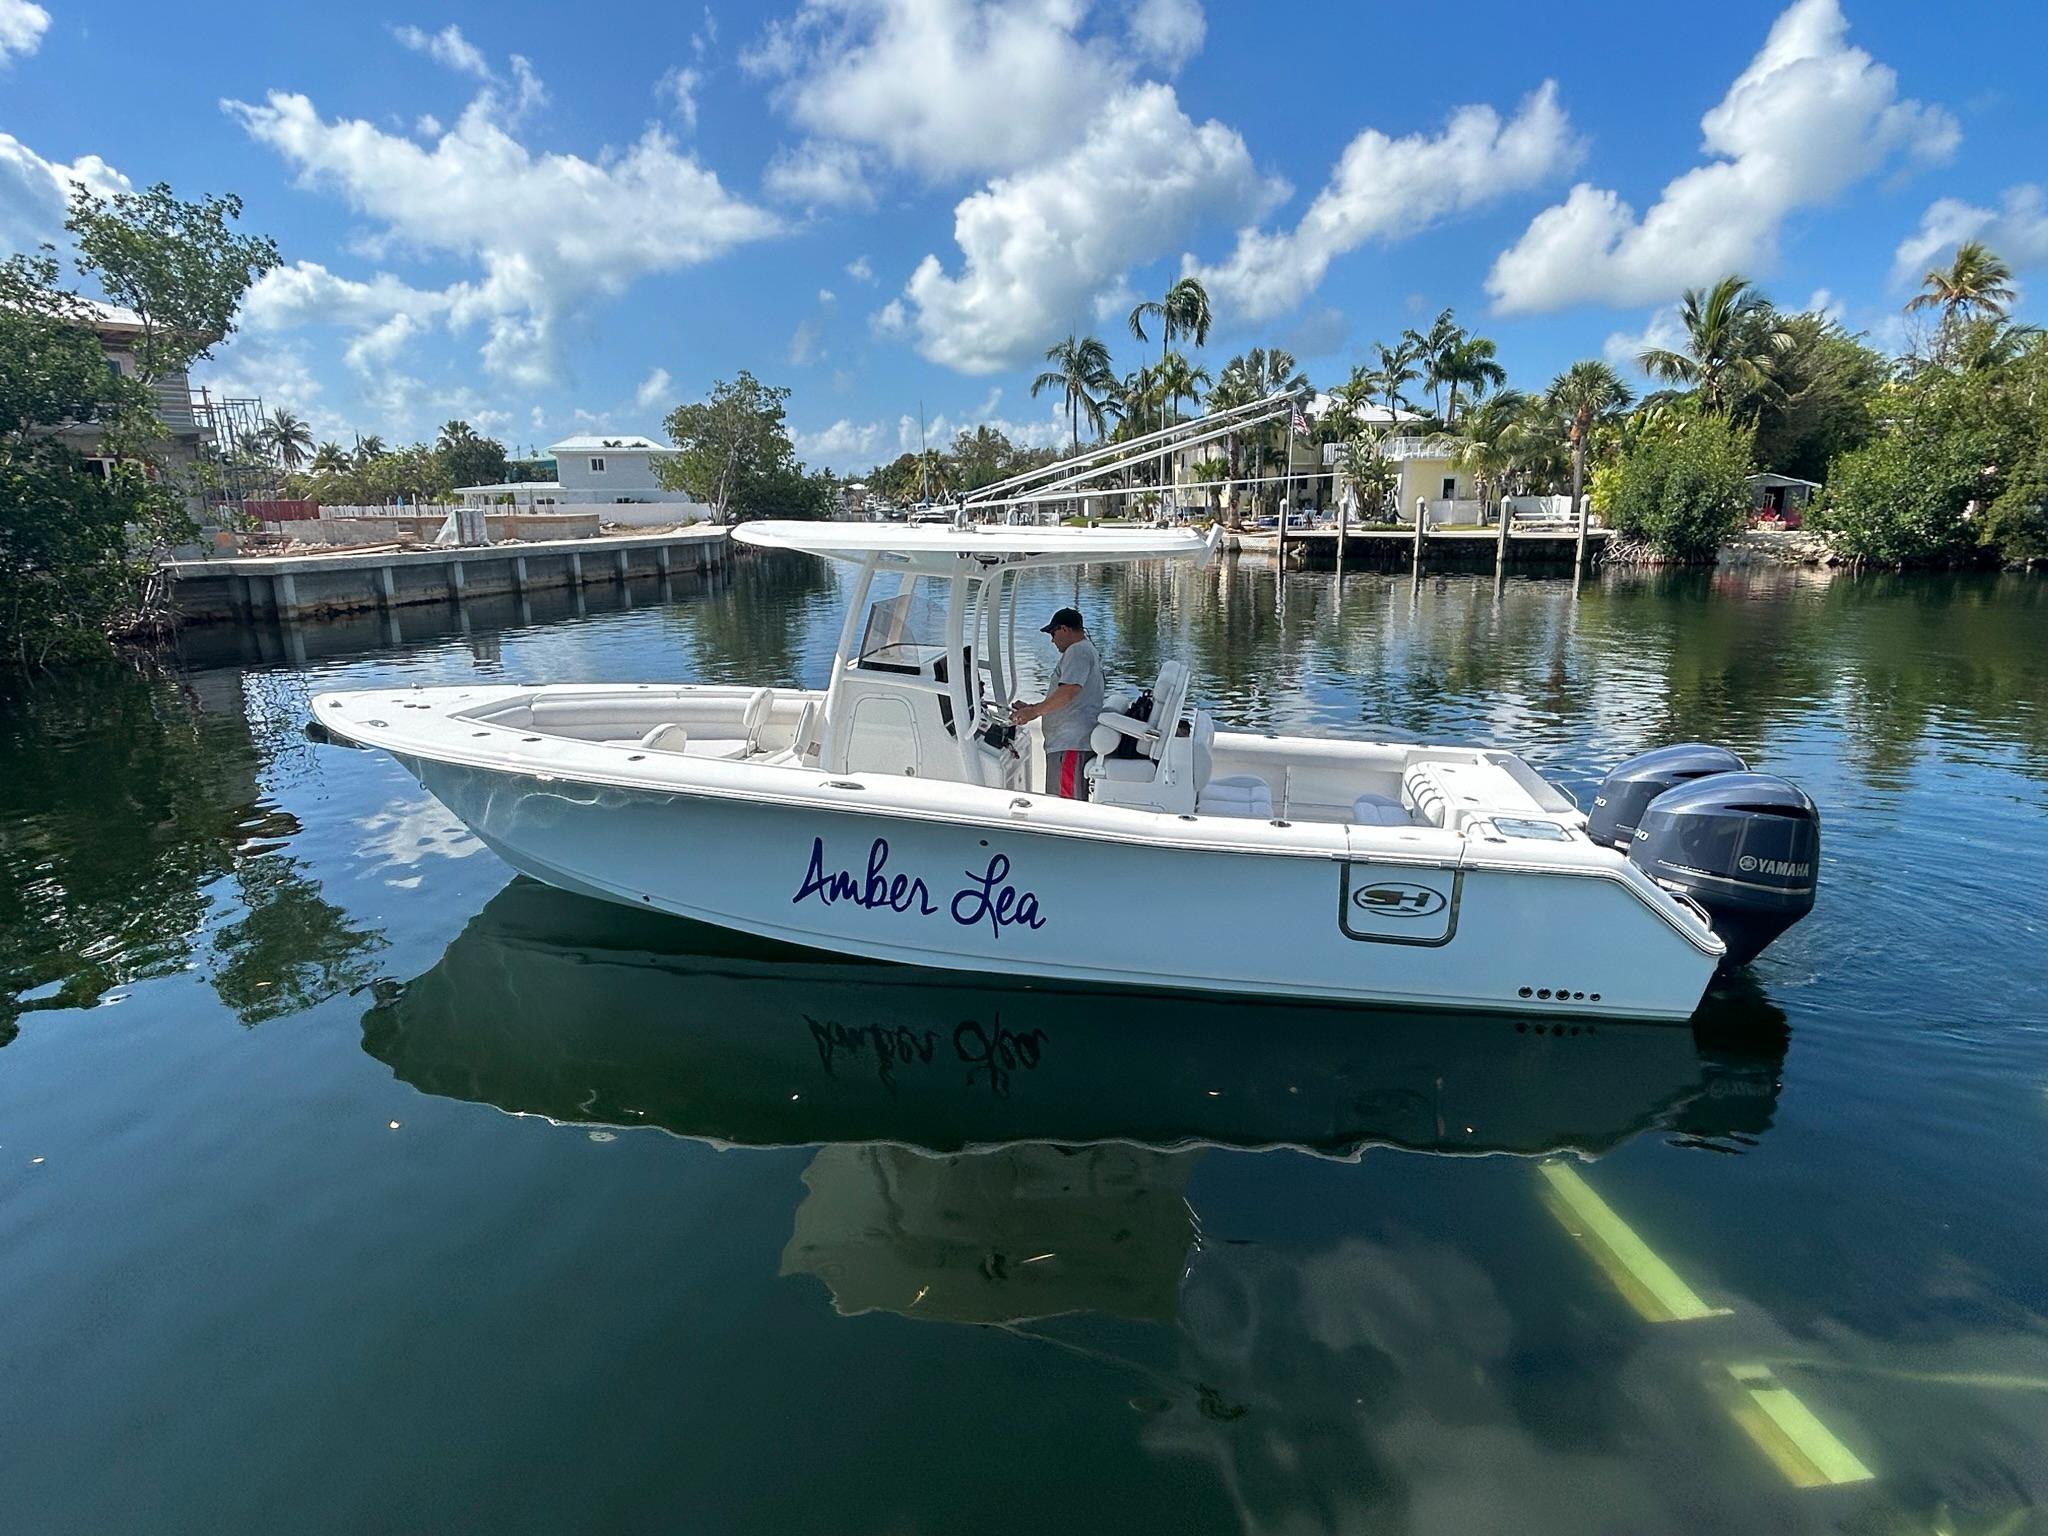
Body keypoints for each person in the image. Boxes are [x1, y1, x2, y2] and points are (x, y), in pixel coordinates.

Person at [1012, 606, 1104, 800]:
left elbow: (1068, 692)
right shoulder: (1085, 651)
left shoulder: (1077, 651)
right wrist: (1031, 707)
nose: (1052, 640)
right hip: (1066, 743)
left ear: (1064, 629)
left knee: (1065, 807)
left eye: (1053, 633)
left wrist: (1034, 712)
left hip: (1070, 743)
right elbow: (1066, 696)